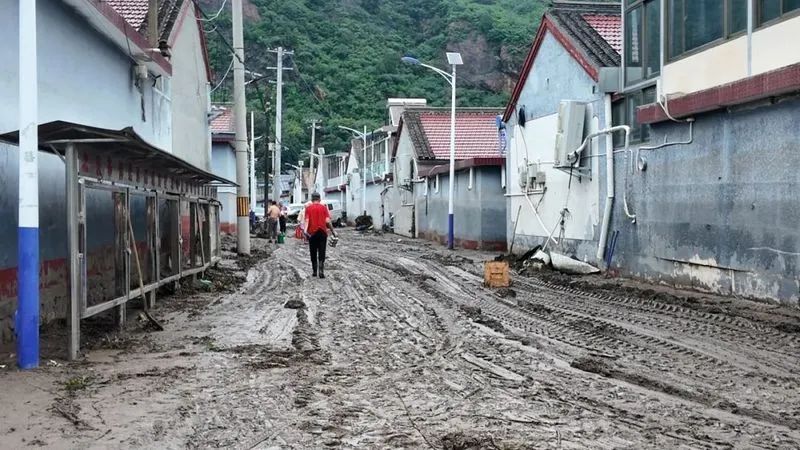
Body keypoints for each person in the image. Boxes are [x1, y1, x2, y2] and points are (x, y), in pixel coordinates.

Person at [304, 193, 337, 278]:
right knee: (322, 251)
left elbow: (307, 221)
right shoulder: (324, 208)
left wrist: (305, 231)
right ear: (319, 199)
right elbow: (327, 221)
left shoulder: (308, 208)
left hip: (312, 233)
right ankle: (321, 271)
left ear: (312, 199)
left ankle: (315, 271)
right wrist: (333, 231)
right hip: (322, 232)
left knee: (313, 251)